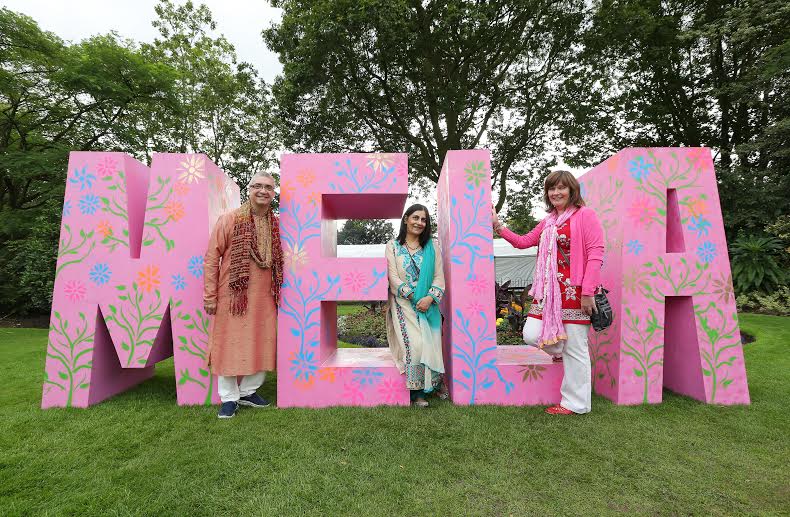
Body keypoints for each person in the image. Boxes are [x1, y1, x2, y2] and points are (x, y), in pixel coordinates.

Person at [492, 170, 604, 415]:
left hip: (575, 292)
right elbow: (524, 242)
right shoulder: (549, 221)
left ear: (572, 190)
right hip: (549, 293)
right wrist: (498, 226)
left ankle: (576, 404)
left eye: (561, 188)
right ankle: (563, 354)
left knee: (576, 348)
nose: (556, 193)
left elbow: (596, 254)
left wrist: (588, 292)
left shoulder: (586, 216)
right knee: (531, 334)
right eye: (551, 189)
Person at [204, 172, 284, 419]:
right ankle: (229, 398)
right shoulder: (229, 220)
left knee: (263, 340)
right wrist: (210, 295)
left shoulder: (275, 223)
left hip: (264, 295)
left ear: (274, 193)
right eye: (257, 186)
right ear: (249, 190)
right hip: (234, 295)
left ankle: (248, 391)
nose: (263, 191)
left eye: (268, 187)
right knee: (229, 343)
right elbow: (211, 259)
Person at [385, 204, 446, 407]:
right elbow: (392, 276)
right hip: (403, 304)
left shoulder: (432, 248)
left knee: (431, 344)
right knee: (416, 345)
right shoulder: (393, 247)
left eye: (424, 220)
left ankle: (431, 386)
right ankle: (417, 391)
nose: (420, 223)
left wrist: (429, 298)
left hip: (427, 305)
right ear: (406, 219)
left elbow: (438, 277)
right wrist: (410, 294)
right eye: (416, 218)